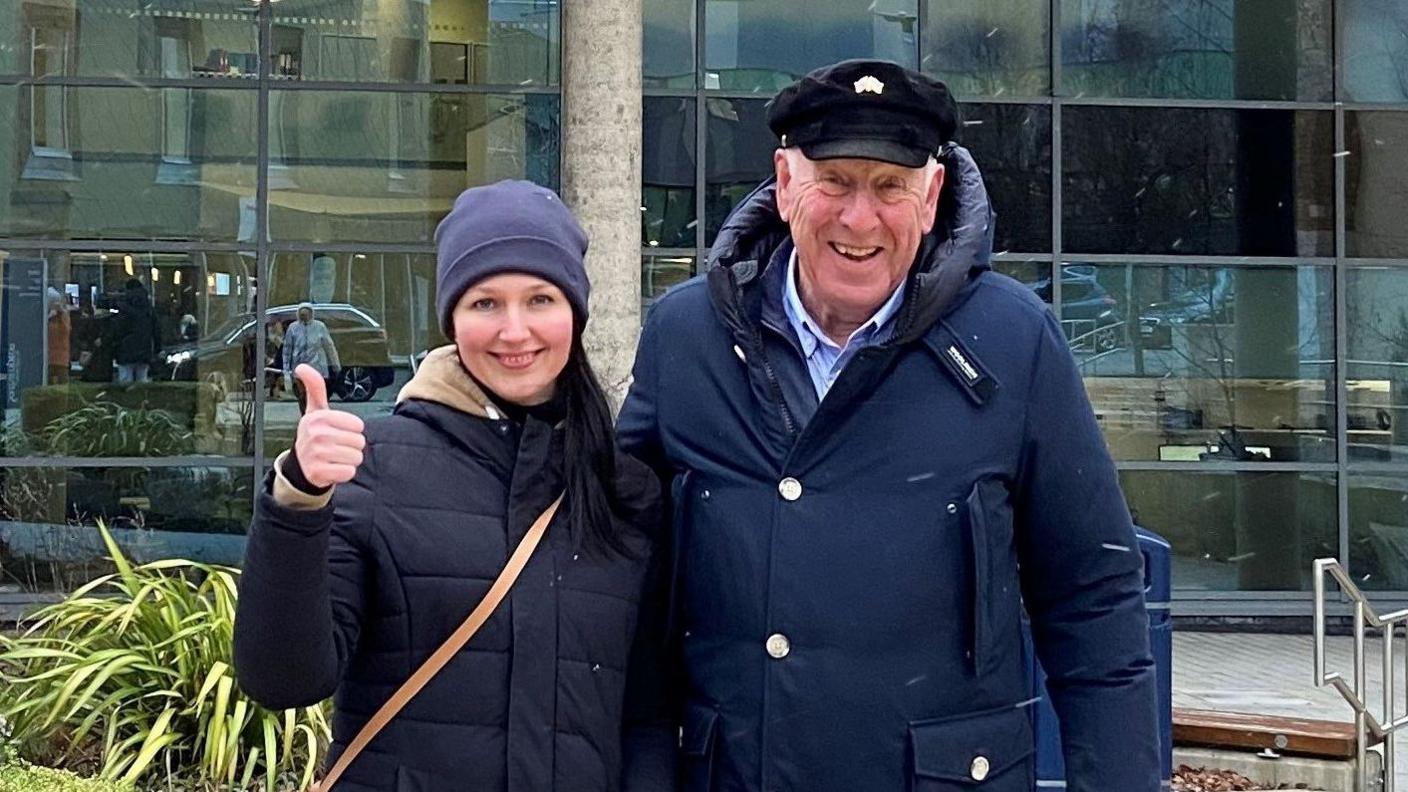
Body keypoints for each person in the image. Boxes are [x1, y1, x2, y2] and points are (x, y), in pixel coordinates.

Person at [618, 59, 1160, 791]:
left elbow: (1092, 595)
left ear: (931, 196)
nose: (858, 218)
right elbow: (623, 578)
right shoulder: (688, 334)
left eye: (889, 187)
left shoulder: (1014, 339)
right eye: (834, 181)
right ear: (785, 184)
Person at [234, 180, 672, 791]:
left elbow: (646, 714)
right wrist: (298, 498)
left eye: (540, 299)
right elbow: (282, 679)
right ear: (452, 320)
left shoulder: (623, 489)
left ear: (574, 311)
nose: (514, 331)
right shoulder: (374, 465)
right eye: (484, 303)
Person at [282, 302, 341, 411]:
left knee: (316, 394)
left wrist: (335, 364)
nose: (304, 317)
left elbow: (329, 346)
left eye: (306, 314)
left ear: (311, 314)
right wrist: (286, 371)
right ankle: (305, 417)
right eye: (302, 314)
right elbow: (287, 350)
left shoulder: (319, 327)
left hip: (318, 368)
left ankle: (317, 416)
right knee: (302, 396)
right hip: (299, 369)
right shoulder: (293, 328)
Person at [112, 278, 161, 383]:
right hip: (144, 349)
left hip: (125, 350)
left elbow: (118, 330)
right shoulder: (148, 308)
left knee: (125, 382)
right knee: (142, 380)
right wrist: (157, 349)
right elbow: (156, 330)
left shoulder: (124, 307)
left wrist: (115, 348)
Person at [46, 287, 71, 384]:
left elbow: (66, 331)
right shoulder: (48, 317)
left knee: (62, 385)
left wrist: (61, 312)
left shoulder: (63, 316)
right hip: (48, 358)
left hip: (61, 358)